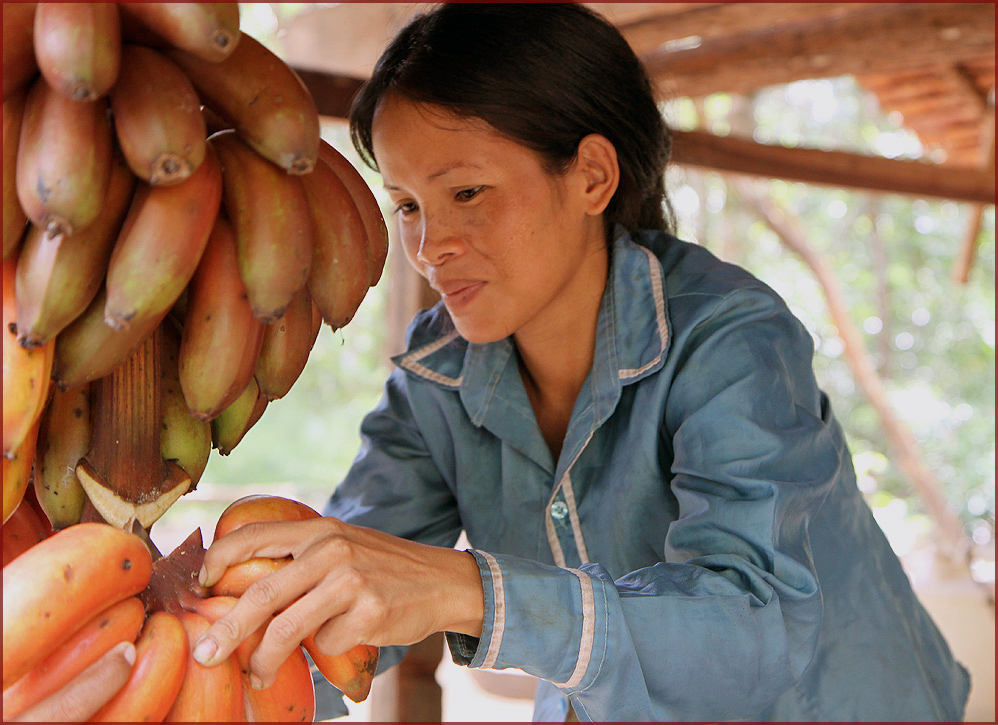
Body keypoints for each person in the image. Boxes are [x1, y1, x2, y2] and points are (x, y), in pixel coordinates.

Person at [191, 4, 971, 721]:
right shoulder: (435, 384)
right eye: (407, 205)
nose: (431, 248)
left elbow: (755, 635)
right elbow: (338, 618)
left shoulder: (730, 340)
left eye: (467, 191)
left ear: (592, 175)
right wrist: (197, 657)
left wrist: (468, 590)